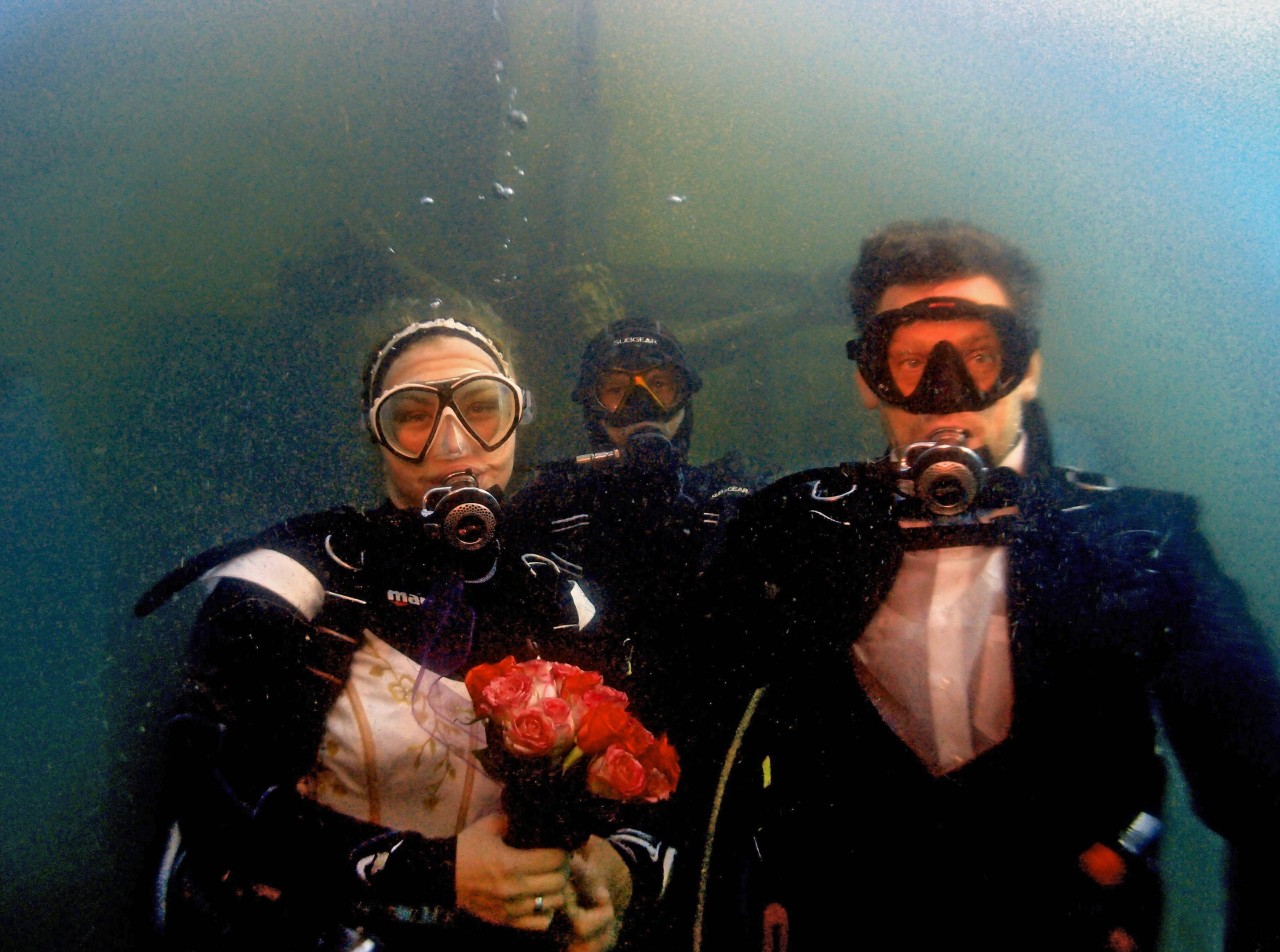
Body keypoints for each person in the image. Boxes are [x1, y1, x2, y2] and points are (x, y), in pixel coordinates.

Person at [691, 221, 1280, 952]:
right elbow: (685, 737)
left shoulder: (1146, 543)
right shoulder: (790, 530)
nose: (946, 393)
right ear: (865, 379)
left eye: (980, 355)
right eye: (908, 361)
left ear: (1028, 368)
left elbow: (1264, 794)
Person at [137, 302, 672, 952]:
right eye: (413, 415)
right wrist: (434, 873)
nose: (452, 444)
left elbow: (642, 782)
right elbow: (207, 792)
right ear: (376, 433)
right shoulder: (296, 575)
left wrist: (617, 875)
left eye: (482, 407)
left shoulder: (564, 597)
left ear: (516, 421)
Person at [506, 318, 759, 709]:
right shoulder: (548, 506)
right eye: (616, 390)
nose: (641, 406)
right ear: (593, 406)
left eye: (660, 385)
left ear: (684, 396)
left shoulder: (728, 500)